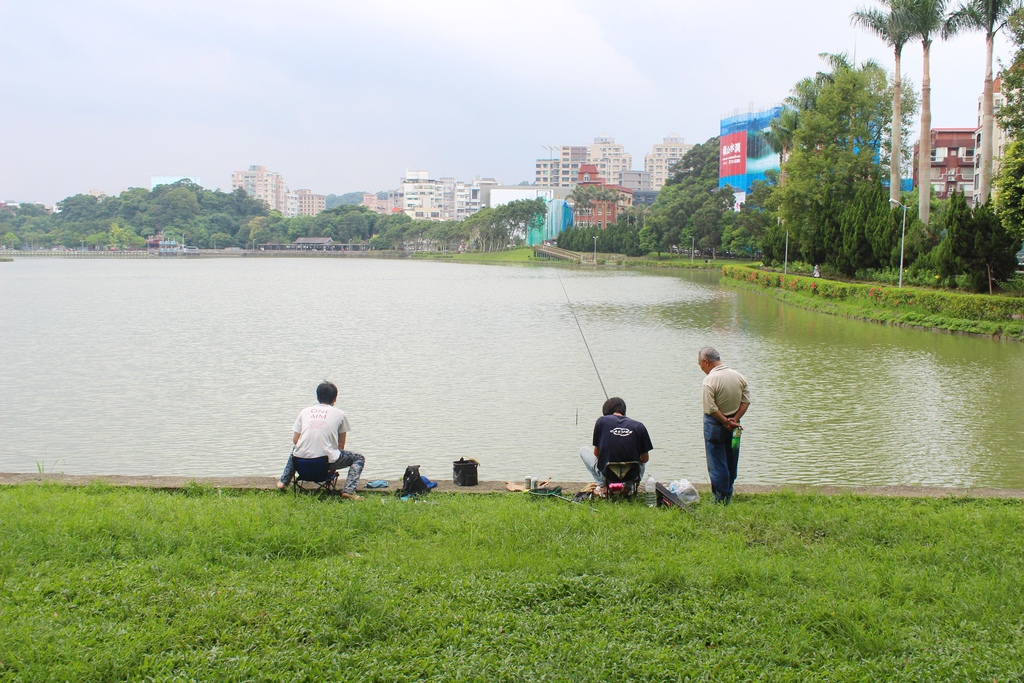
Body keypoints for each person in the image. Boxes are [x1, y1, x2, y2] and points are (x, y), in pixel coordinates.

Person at [277, 381, 364, 500]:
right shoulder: (340, 414)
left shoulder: (305, 411)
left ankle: (283, 482)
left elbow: (295, 440)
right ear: (335, 399)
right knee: (359, 458)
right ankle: (349, 490)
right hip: (324, 462)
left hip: (301, 462)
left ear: (317, 397)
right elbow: (341, 445)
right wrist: (332, 468)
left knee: (296, 449)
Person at [698, 347, 750, 504]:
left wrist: (724, 421)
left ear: (706, 362)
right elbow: (745, 401)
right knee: (731, 458)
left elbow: (711, 408)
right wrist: (734, 419)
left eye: (700, 364)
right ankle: (728, 493)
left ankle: (720, 498)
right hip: (735, 425)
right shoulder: (739, 376)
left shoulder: (710, 380)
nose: (700, 367)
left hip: (715, 424)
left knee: (716, 462)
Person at [579, 397, 653, 497]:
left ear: (606, 411)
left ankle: (603, 485)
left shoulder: (601, 421)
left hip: (608, 475)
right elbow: (645, 459)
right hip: (631, 475)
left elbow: (596, 454)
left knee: (583, 450)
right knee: (641, 460)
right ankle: (627, 487)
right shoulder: (639, 426)